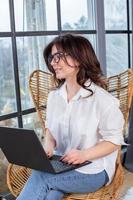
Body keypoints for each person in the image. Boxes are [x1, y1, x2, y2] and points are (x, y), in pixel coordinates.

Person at [17, 33, 125, 200]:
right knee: (51, 194)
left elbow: (114, 141)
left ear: (79, 59)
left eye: (59, 56)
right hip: (62, 164)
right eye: (52, 57)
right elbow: (50, 130)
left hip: (93, 170)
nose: (53, 62)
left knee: (42, 177)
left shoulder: (103, 100)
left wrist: (84, 155)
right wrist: (48, 146)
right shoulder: (54, 97)